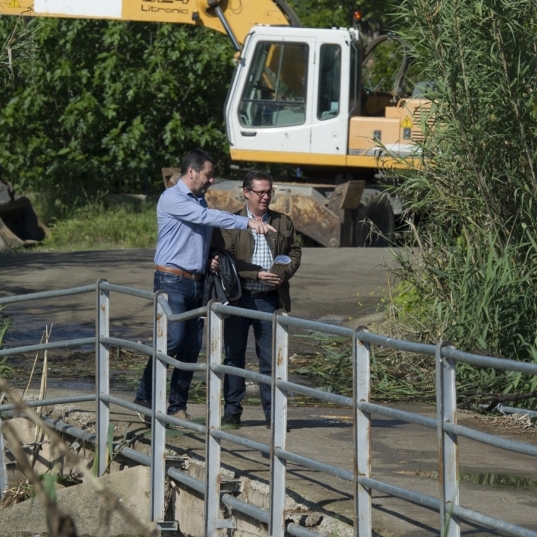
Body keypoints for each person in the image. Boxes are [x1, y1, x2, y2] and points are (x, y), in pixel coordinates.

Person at [133, 150, 276, 423]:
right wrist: (247, 222)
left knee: (191, 346)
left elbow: (202, 234)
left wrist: (211, 255)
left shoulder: (199, 199)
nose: (211, 180)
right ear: (191, 172)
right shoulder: (173, 199)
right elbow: (208, 219)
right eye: (208, 175)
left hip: (198, 282)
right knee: (172, 339)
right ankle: (145, 397)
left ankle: (177, 406)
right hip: (171, 280)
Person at [212, 171, 301, 428]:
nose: (265, 197)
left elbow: (294, 251)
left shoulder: (283, 222)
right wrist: (257, 274)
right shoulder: (230, 222)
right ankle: (232, 412)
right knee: (233, 357)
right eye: (260, 192)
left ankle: (274, 415)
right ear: (246, 192)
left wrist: (283, 274)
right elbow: (226, 258)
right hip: (239, 298)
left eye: (268, 192)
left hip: (269, 299)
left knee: (270, 359)